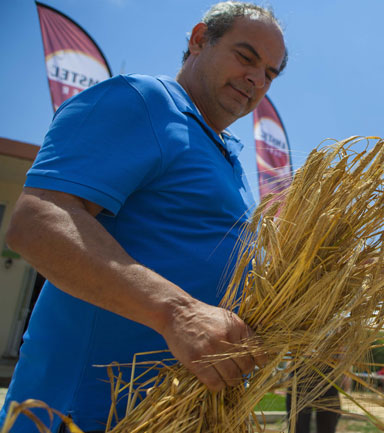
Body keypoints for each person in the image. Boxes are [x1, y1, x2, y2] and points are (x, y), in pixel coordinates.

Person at [0, 3, 287, 432]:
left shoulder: (229, 158)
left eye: (270, 73)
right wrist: (179, 313)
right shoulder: (144, 101)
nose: (257, 79)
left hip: (165, 417)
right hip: (79, 414)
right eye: (246, 57)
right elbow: (37, 222)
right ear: (198, 40)